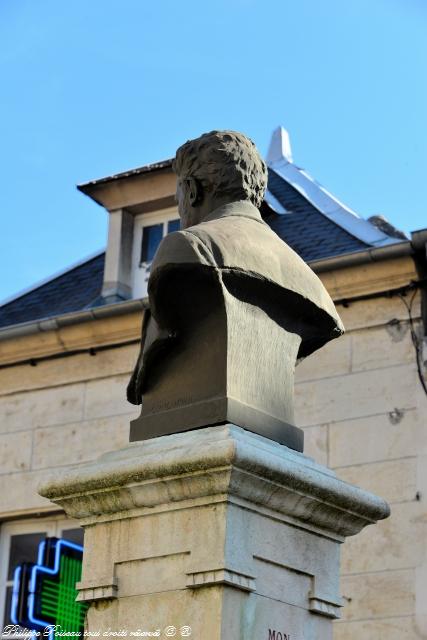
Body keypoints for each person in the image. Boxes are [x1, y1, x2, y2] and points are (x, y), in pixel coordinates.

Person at [127, 130, 343, 450]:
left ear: (192, 191)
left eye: (177, 201)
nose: (180, 209)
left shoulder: (187, 246)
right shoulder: (309, 282)